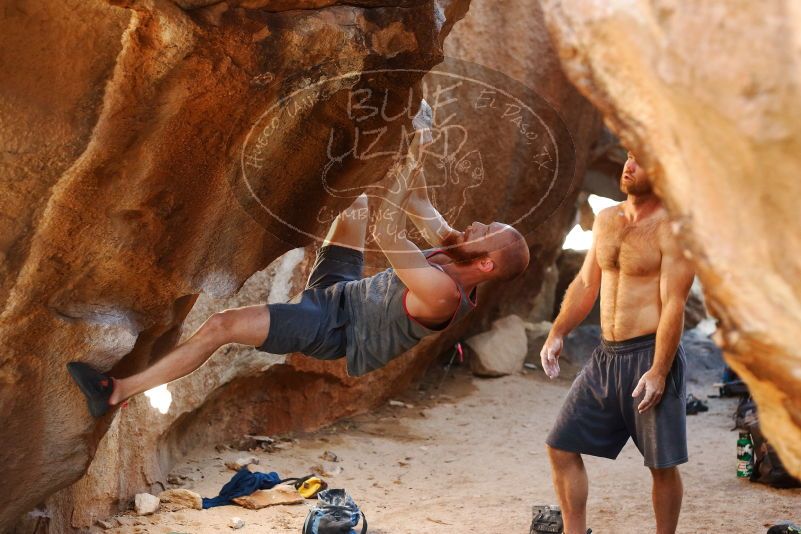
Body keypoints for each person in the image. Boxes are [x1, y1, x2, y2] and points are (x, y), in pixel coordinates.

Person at [68, 105, 530, 418]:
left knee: (223, 326)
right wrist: (418, 138)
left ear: (485, 264)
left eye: (485, 233)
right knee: (355, 202)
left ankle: (116, 394)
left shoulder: (444, 295)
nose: (476, 226)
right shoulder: (455, 250)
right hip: (343, 292)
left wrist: (416, 155)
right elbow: (419, 204)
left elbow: (389, 233)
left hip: (334, 328)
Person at [539, 152, 695, 534]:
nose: (629, 166)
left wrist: (659, 371)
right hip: (605, 358)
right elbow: (586, 284)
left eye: (640, 161)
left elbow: (675, 304)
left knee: (662, 466)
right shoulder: (608, 219)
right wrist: (558, 332)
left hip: (649, 354)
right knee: (560, 445)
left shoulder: (675, 230)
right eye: (628, 157)